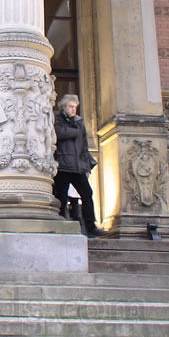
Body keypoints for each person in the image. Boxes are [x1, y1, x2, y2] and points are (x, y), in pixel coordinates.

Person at [53, 94, 107, 238]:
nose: (73, 109)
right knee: (61, 198)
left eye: (75, 107)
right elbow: (56, 134)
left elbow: (84, 147)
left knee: (87, 194)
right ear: (63, 107)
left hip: (78, 167)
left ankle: (90, 226)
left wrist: (86, 166)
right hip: (63, 166)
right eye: (70, 106)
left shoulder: (79, 123)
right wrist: (75, 131)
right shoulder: (57, 120)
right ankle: (60, 224)